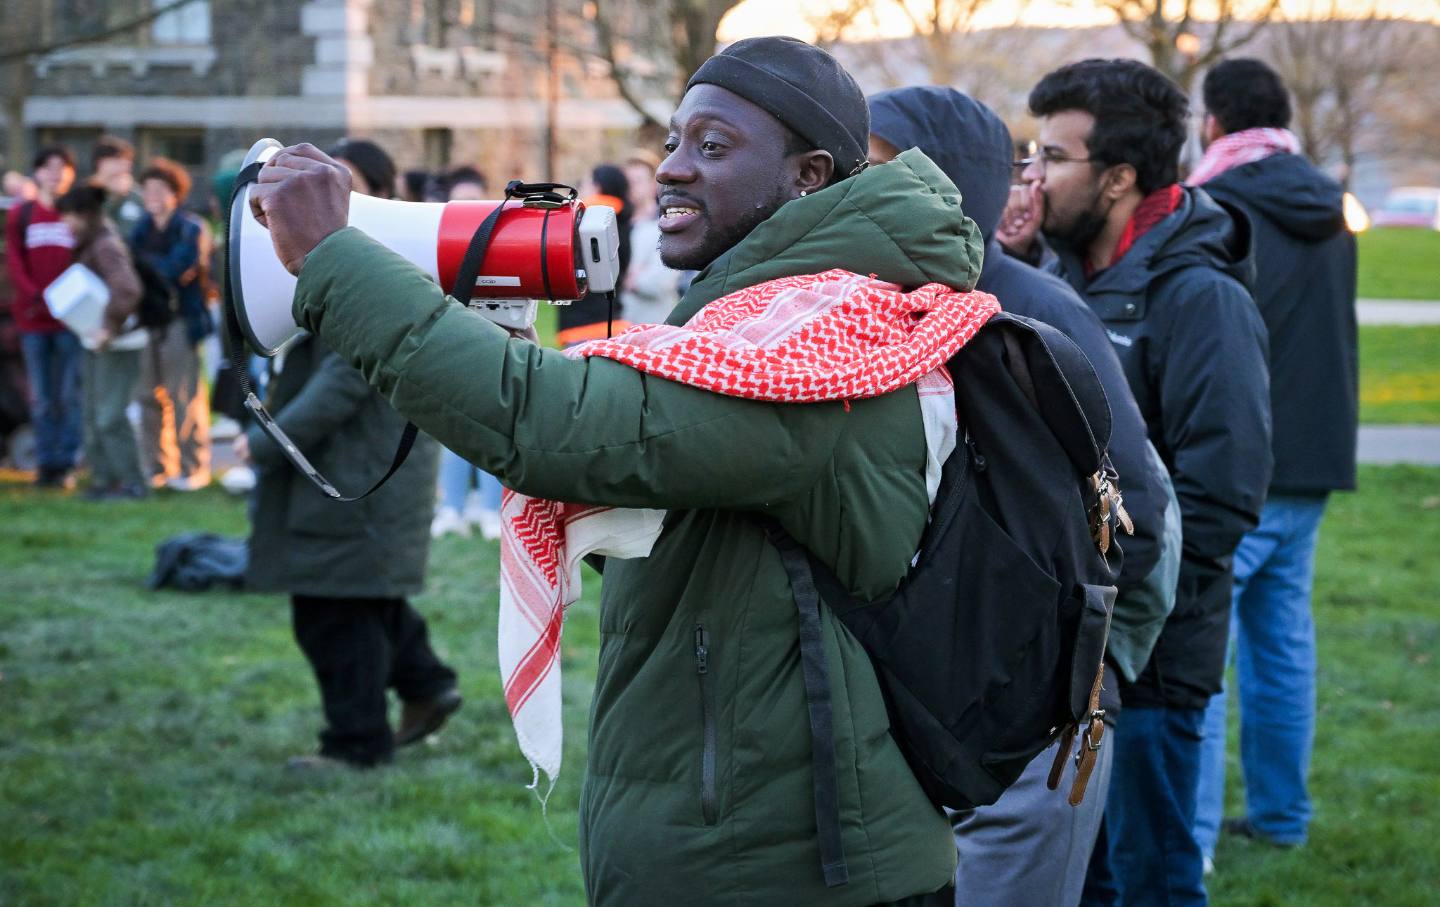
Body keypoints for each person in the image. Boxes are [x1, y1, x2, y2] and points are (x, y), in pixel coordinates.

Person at [250, 36, 977, 904]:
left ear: (808, 175)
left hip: (789, 867)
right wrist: (504, 343)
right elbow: (650, 501)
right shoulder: (770, 318)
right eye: (671, 141)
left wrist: (332, 256)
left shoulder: (823, 341)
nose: (671, 169)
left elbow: (550, 426)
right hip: (759, 841)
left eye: (712, 146)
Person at [867, 85, 1181, 907]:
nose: (848, 191)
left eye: (876, 168)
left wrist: (1062, 663)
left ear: (950, 182)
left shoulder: (1031, 312)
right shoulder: (873, 305)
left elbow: (1137, 512)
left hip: (1026, 724)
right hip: (918, 715)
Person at [996, 59, 1273, 906]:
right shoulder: (1063, 277)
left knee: (1151, 880)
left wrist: (1125, 634)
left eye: (1051, 157)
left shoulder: (1198, 297)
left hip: (1147, 668)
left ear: (1118, 179)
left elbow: (1221, 495)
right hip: (1070, 660)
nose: (1031, 177)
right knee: (1085, 882)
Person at [238, 136, 459, 771]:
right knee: (364, 595)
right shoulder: (378, 258)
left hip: (355, 470)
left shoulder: (377, 263)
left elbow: (340, 383)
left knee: (333, 613)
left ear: (383, 191)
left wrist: (267, 443)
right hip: (362, 468)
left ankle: (355, 745)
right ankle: (425, 684)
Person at [1190, 58, 1359, 862]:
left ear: (1215, 123)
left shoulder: (1218, 203)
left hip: (1246, 461)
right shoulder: (1330, 202)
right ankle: (1282, 818)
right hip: (1315, 457)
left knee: (1202, 654)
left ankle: (1189, 842)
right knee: (1281, 645)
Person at [55, 183, 148, 499]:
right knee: (94, 415)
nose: (64, 222)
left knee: (110, 416)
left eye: (67, 215)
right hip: (97, 341)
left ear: (83, 215)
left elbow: (128, 290)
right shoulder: (91, 241)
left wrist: (108, 327)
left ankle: (132, 483)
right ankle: (105, 481)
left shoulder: (105, 245)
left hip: (119, 342)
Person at [430, 164, 504, 540]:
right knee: (453, 431)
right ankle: (451, 507)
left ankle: (491, 510)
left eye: (474, 202)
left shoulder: (504, 243)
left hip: (493, 345)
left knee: (490, 429)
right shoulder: (438, 246)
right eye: (460, 203)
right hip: (452, 344)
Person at [132, 157, 213, 491]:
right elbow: (131, 268)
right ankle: (156, 466)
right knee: (146, 395)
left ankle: (193, 467)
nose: (151, 195)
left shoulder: (190, 228)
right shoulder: (140, 228)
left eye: (159, 190)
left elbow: (174, 269)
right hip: (148, 320)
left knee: (184, 396)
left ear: (175, 194)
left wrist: (146, 270)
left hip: (181, 320)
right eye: (147, 189)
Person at [4, 146, 79, 488]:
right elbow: (16, 263)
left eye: (61, 168)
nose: (55, 174)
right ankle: (45, 464)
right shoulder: (21, 215)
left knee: (67, 395)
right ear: (37, 173)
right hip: (33, 320)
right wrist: (35, 295)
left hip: (69, 320)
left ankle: (65, 463)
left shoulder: (75, 214)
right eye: (48, 167)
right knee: (42, 397)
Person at [555, 164, 633, 347]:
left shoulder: (582, 220)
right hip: (613, 320)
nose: (581, 188)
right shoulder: (623, 222)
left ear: (597, 187)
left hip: (581, 325)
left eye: (585, 183)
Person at [619, 149, 680, 325]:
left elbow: (659, 282)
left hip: (653, 327)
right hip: (616, 329)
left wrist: (625, 278)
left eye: (637, 181)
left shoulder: (667, 225)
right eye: (627, 182)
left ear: (654, 185)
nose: (631, 188)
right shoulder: (616, 226)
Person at [91, 135, 146, 238]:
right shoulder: (85, 195)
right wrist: (111, 199)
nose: (123, 167)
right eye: (117, 160)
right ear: (100, 164)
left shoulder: (139, 197)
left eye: (127, 162)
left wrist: (120, 196)